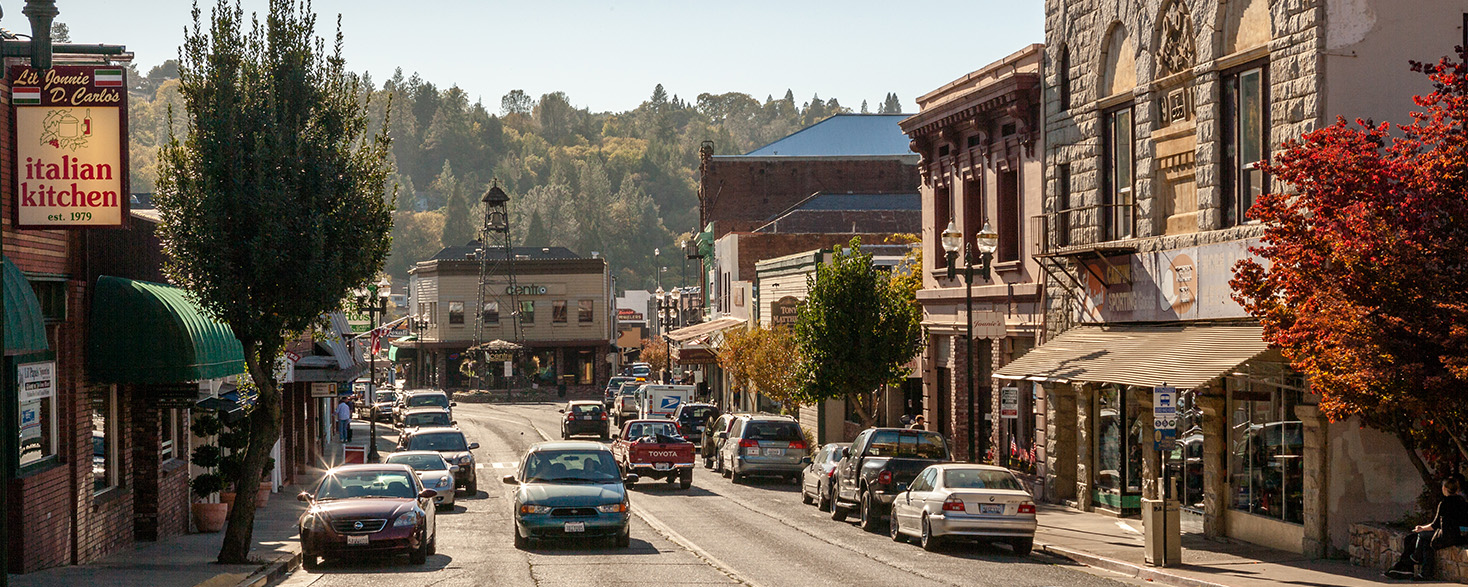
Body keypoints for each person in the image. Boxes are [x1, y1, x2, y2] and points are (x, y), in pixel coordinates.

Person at [1387, 476, 1468, 580]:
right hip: (1459, 536)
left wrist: (1421, 528)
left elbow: (1435, 525)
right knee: (1427, 543)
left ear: (1444, 488)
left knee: (1421, 535)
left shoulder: (1444, 503)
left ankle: (1415, 558)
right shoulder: (1462, 502)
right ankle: (1426, 573)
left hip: (1447, 536)